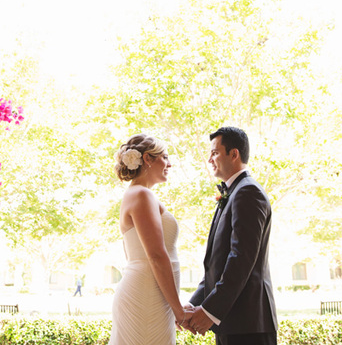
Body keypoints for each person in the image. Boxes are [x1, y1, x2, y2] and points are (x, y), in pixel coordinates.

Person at [186, 126, 278, 345]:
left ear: (234, 154)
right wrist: (193, 305)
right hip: (232, 321)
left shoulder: (248, 192)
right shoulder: (233, 192)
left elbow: (240, 259)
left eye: (215, 152)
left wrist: (208, 311)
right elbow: (217, 263)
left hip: (248, 323)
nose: (209, 159)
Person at [109, 133, 193, 345]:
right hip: (145, 297)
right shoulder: (141, 195)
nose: (170, 164)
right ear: (147, 159)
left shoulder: (137, 194)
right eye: (164, 157)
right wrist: (178, 310)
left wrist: (175, 305)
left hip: (152, 296)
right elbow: (155, 255)